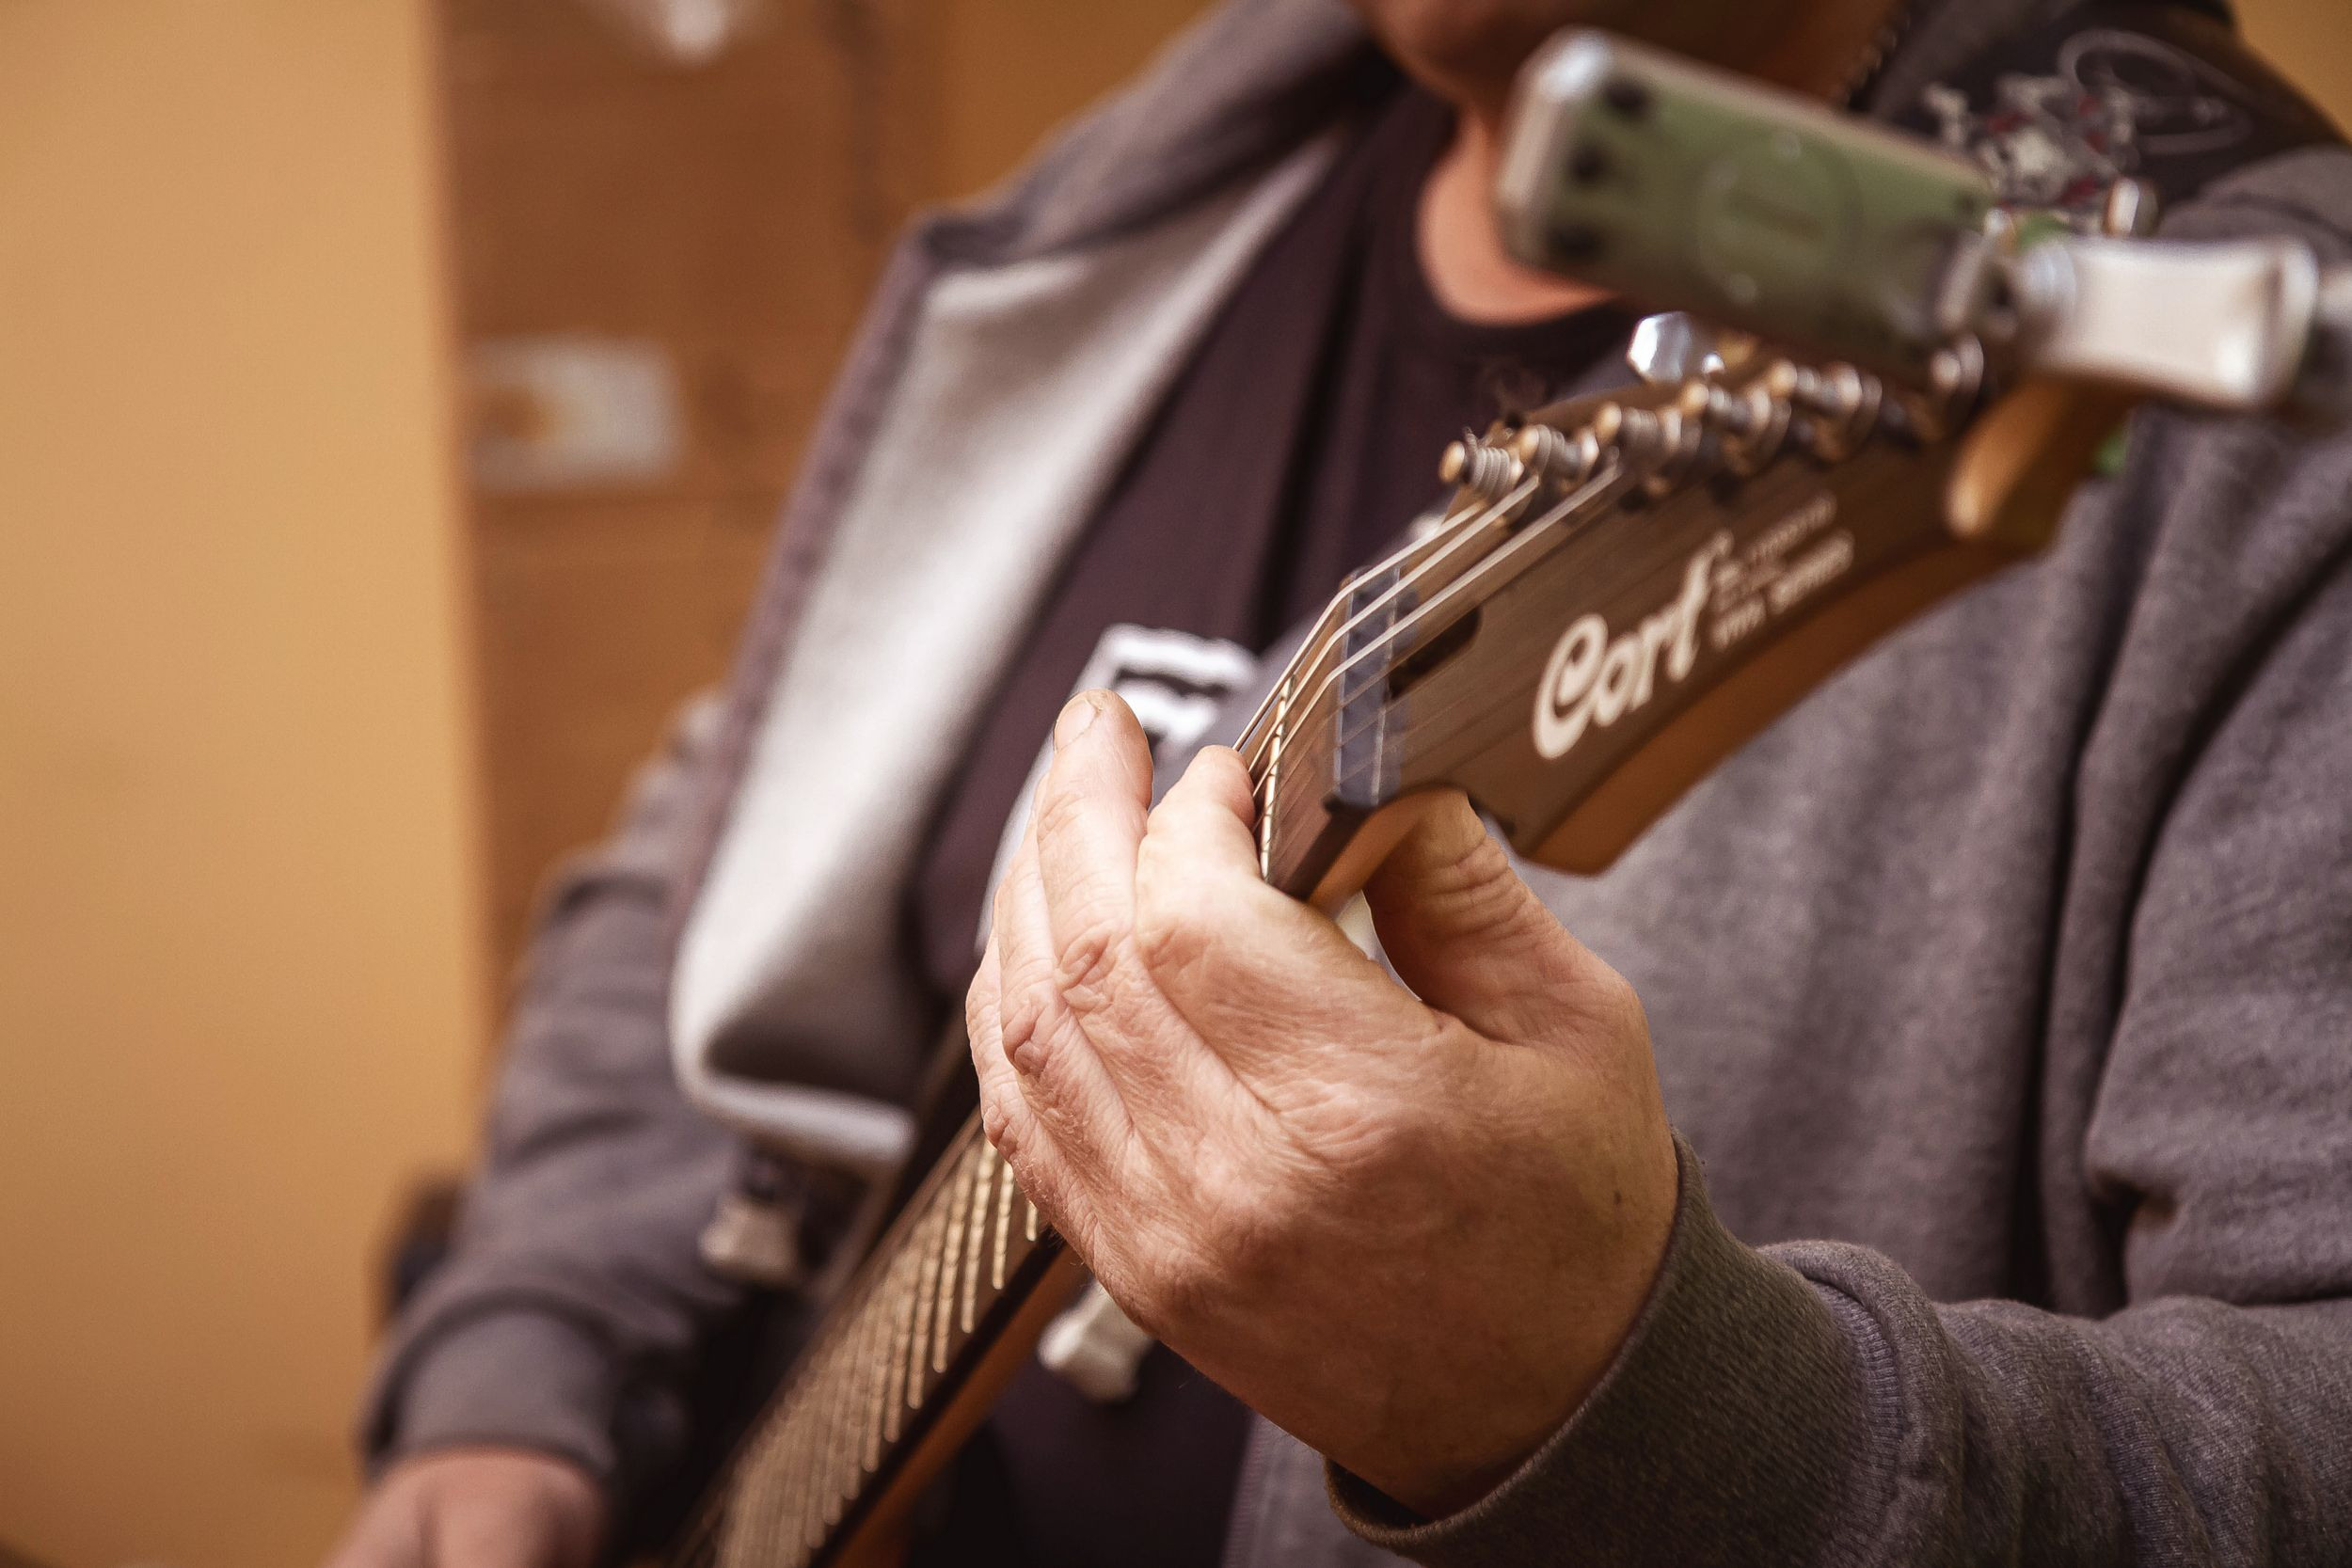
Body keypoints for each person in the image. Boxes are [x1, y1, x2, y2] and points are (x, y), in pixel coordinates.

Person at [329, 0, 2352, 1561]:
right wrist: (522, 1368)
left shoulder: (2228, 387)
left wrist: (1640, 1406)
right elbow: (707, 851)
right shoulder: (1155, 210)